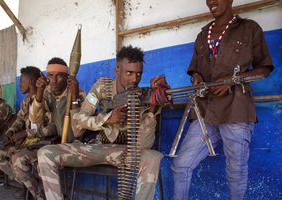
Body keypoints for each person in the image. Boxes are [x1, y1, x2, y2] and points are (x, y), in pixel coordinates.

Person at [171, 0, 274, 199]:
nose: (211, 1)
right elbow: (194, 70)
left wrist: (233, 80)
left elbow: (265, 69)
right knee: (181, 164)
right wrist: (197, 78)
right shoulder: (203, 35)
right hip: (205, 112)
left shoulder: (249, 29)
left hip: (236, 110)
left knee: (236, 173)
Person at [37, 45, 163, 200]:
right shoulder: (103, 87)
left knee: (153, 157)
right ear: (117, 71)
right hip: (97, 147)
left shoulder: (143, 95)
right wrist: (107, 119)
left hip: (124, 152)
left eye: (138, 74)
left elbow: (144, 145)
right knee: (45, 153)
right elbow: (79, 119)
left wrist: (152, 109)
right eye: (129, 73)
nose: (134, 79)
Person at [0, 66, 57, 200]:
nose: (20, 85)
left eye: (21, 82)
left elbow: (53, 127)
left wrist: (26, 133)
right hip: (27, 142)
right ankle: (28, 183)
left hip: (42, 141)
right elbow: (19, 119)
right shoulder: (26, 101)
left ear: (30, 82)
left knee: (15, 156)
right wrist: (11, 131)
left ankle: (39, 195)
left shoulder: (47, 98)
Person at [29, 57, 85, 142]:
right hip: (59, 142)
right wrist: (39, 91)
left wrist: (75, 97)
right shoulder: (48, 93)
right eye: (50, 76)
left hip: (77, 144)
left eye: (59, 76)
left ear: (67, 77)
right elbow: (34, 120)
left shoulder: (78, 92)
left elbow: (78, 130)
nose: (54, 81)